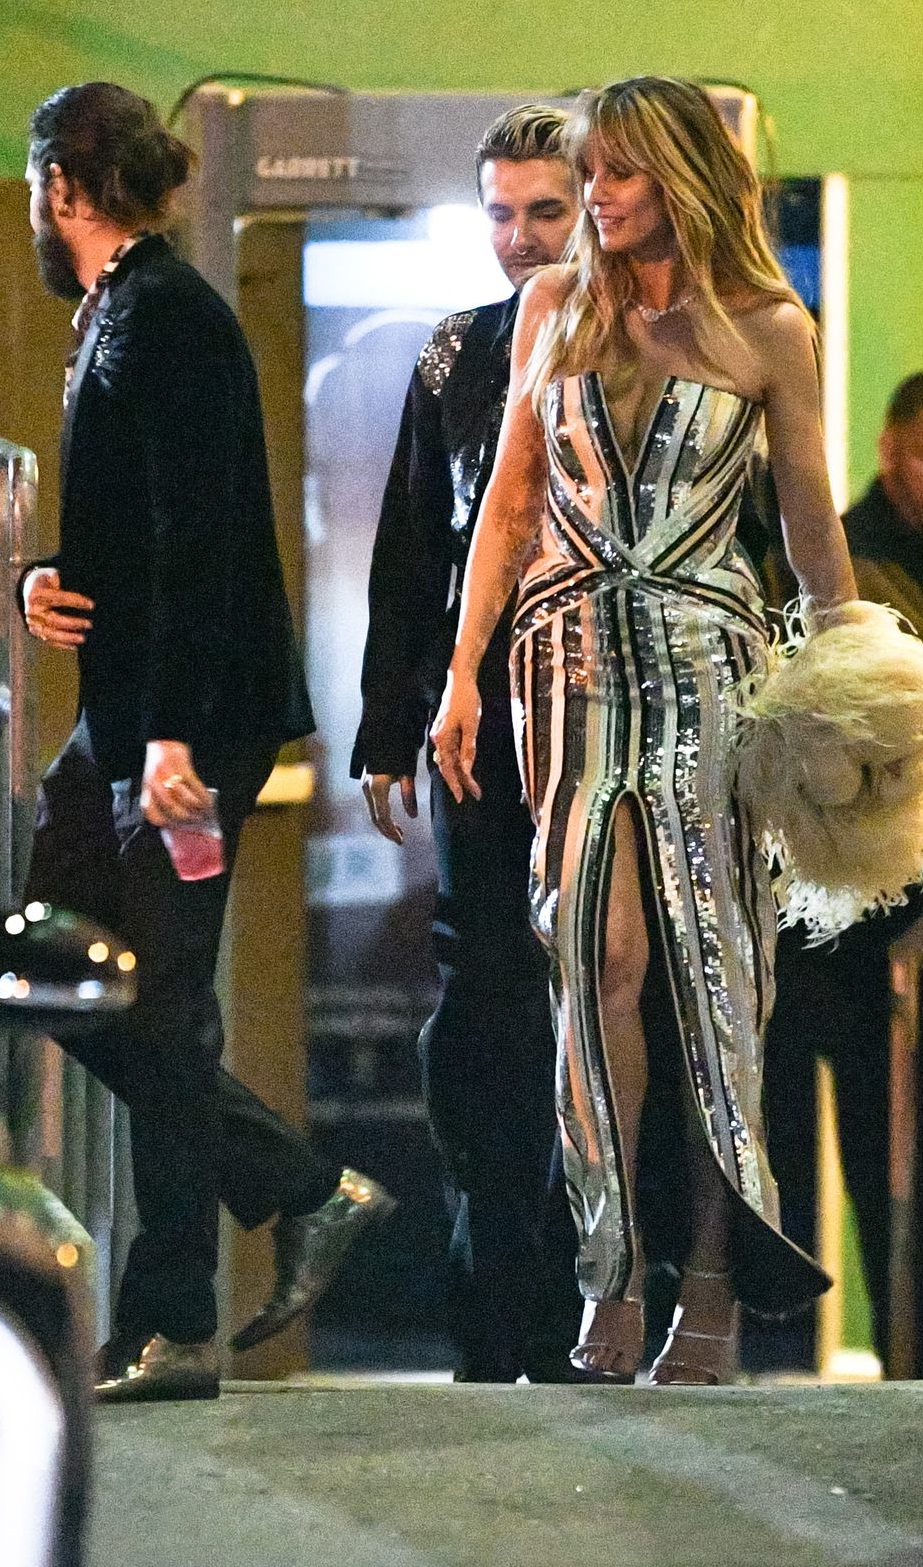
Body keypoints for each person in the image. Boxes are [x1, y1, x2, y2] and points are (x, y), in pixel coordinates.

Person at [432, 76, 872, 1386]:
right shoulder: (555, 309)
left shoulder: (769, 327)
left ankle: (717, 1283)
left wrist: (855, 684)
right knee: (593, 963)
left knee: (713, 983)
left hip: (709, 674)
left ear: (681, 175)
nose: (597, 199)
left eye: (617, 174)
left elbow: (809, 526)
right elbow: (510, 504)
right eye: (590, 175)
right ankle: (611, 1271)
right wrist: (462, 673)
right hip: (564, 667)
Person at [19, 82, 393, 1403]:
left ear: (62, 184)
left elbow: (202, 539)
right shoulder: (125, 308)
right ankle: (296, 1185)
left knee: (161, 1004)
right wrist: (45, 577)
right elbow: (138, 524)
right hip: (127, 717)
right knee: (56, 967)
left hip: (175, 725)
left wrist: (171, 739)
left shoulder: (165, 314)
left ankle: (175, 1322)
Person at [353, 103, 582, 1382]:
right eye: (500, 213)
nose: (520, 236)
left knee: (600, 994)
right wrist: (388, 723)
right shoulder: (458, 349)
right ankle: (496, 1291)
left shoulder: (642, 345)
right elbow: (409, 544)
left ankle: (590, 1293)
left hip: (603, 697)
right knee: (483, 989)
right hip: (476, 707)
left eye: (546, 210)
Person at [764, 369, 923, 1361]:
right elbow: (820, 738)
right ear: (889, 452)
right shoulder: (836, 562)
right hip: (850, 928)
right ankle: (886, 1364)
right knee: (874, 1164)